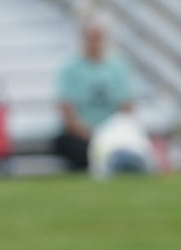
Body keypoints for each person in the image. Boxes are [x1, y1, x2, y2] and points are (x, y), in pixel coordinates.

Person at [53, 13, 134, 172]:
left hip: (111, 133)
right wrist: (90, 134)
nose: (94, 42)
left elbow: (127, 107)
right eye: (90, 37)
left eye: (98, 37)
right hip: (81, 135)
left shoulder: (118, 66)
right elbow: (66, 110)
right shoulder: (71, 68)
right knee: (73, 145)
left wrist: (109, 133)